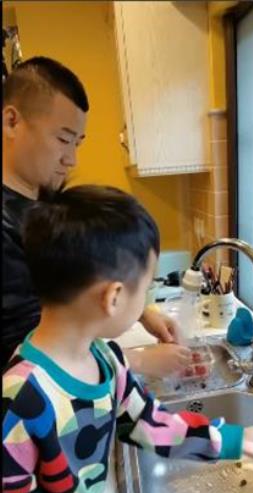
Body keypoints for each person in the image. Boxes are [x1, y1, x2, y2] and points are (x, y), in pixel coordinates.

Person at [1, 185, 253, 493]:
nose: (148, 301)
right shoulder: (21, 398)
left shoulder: (106, 358)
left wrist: (237, 440)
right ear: (114, 297)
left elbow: (151, 425)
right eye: (146, 290)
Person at [2, 56, 188, 375]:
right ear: (11, 122)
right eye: (63, 139)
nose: (71, 159)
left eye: (77, 142)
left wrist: (138, 310)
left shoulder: (45, 199)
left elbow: (81, 277)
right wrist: (138, 361)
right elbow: (28, 351)